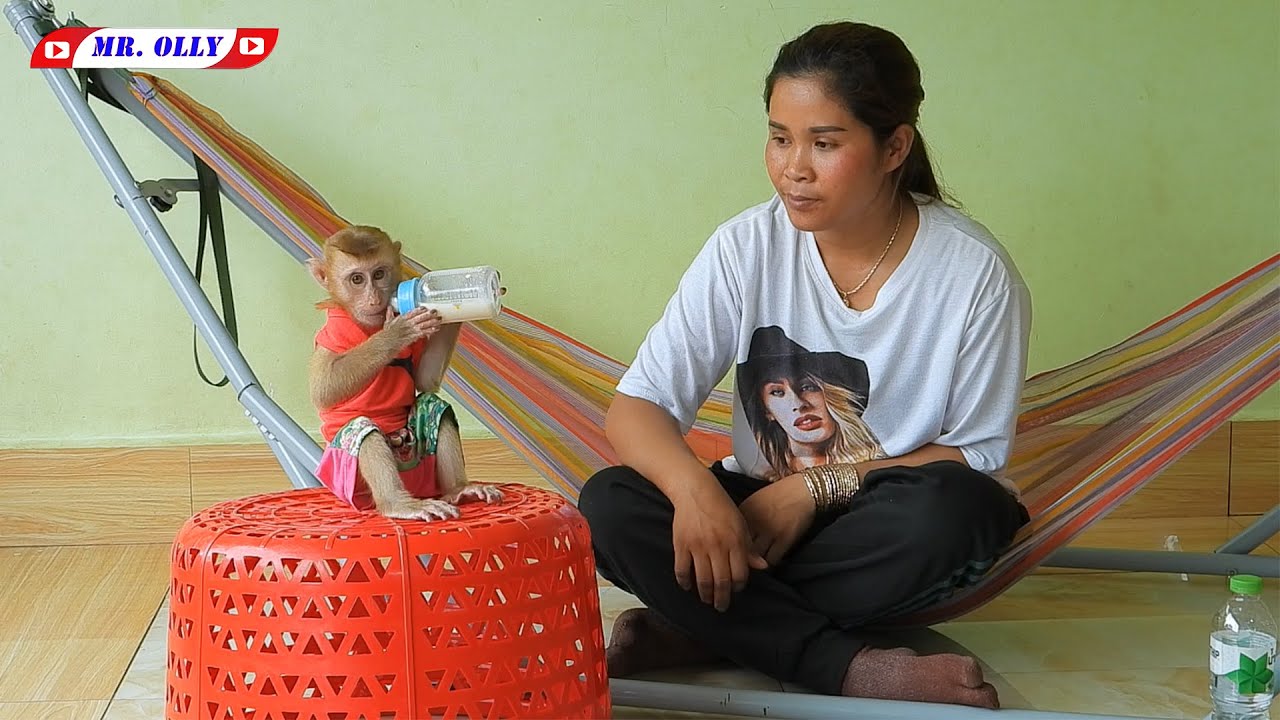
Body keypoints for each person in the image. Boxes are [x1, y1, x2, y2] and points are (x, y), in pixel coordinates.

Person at [576, 20, 1032, 710]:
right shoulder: (745, 248)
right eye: (779, 137)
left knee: (956, 511)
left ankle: (703, 632)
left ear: (894, 148)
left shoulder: (972, 275)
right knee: (609, 504)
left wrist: (812, 490)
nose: (794, 167)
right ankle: (844, 665)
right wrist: (698, 496)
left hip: (878, 522)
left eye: (824, 143)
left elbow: (972, 456)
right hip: (746, 516)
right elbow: (637, 407)